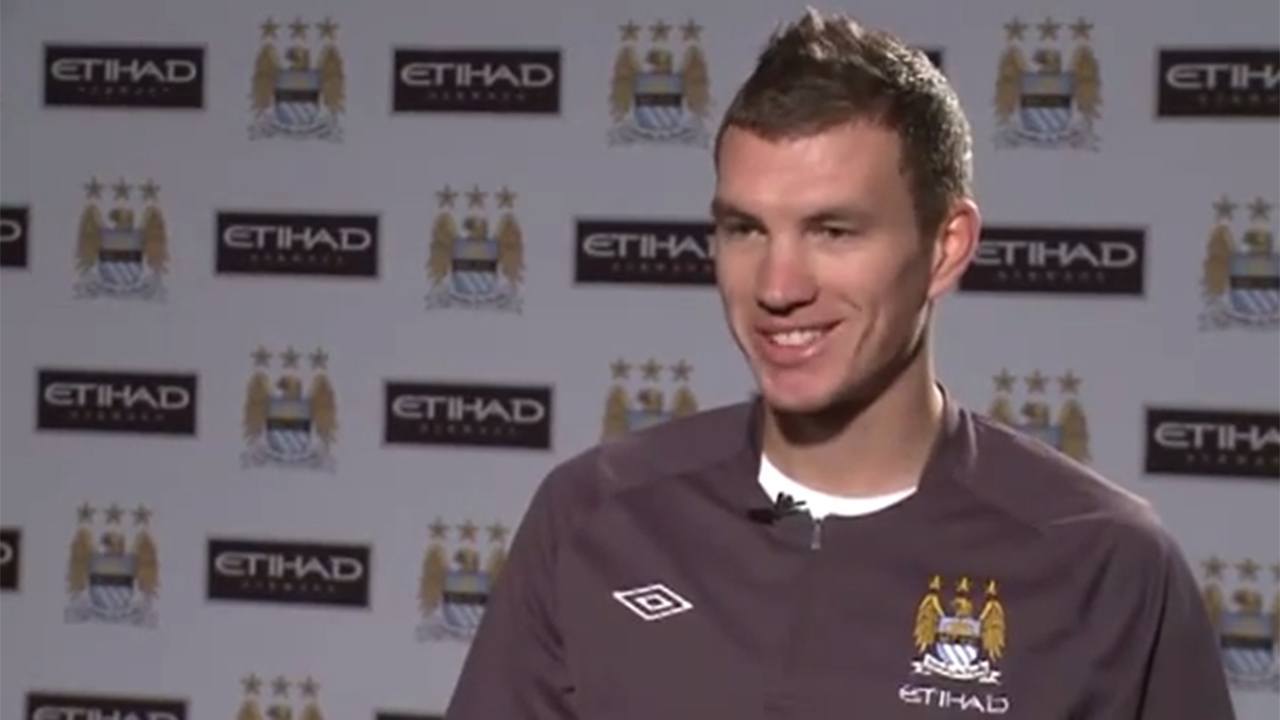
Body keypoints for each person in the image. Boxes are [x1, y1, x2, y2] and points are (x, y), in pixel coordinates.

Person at [444, 8, 1235, 719]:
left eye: (833, 231)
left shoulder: (1103, 563)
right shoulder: (595, 519)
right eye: (746, 230)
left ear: (946, 247)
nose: (778, 287)